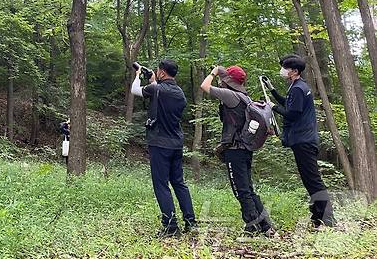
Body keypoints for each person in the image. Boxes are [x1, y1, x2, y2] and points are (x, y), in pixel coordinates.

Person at [200, 65, 277, 237]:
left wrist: (214, 71)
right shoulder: (245, 97)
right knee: (248, 189)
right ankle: (265, 226)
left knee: (240, 190)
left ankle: (252, 227)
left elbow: (204, 86)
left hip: (235, 149)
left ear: (229, 80)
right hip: (245, 149)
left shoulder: (230, 95)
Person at [262, 55, 335, 228]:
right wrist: (272, 91)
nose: (283, 71)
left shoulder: (298, 88)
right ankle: (318, 217)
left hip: (303, 139)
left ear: (294, 71)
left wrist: (273, 107)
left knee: (313, 180)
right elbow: (289, 103)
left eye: (285, 68)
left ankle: (328, 219)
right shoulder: (297, 86)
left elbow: (292, 113)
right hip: (303, 139)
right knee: (309, 179)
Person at [131, 59, 196, 237]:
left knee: (161, 185)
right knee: (179, 183)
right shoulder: (179, 93)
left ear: (162, 72)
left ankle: (171, 226)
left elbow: (135, 90)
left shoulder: (157, 89)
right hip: (176, 143)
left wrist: (137, 76)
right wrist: (153, 79)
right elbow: (161, 96)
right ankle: (191, 222)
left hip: (160, 143)